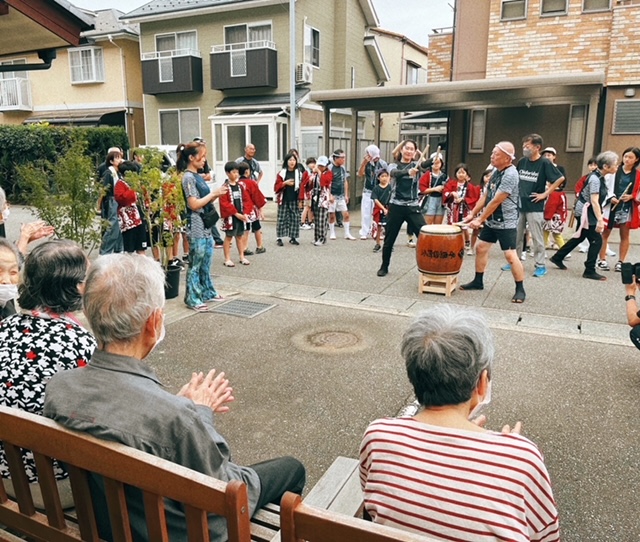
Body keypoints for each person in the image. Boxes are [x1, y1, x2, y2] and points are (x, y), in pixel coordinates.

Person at [43, 253, 306, 542]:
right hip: (179, 534)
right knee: (291, 468)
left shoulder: (59, 388)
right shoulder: (178, 419)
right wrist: (198, 411)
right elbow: (220, 491)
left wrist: (179, 406)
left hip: (106, 524)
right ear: (153, 322)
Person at [359, 305, 560, 541]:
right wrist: (510, 452)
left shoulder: (378, 435)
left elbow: (370, 499)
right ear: (482, 383)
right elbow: (547, 538)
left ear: (414, 375)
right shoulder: (521, 458)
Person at [0, 240, 96, 509]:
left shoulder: (4, 327)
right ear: (76, 287)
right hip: (55, 489)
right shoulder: (82, 343)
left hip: (5, 478)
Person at [461, 142, 527, 303]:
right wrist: (472, 214)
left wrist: (479, 220)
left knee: (510, 255)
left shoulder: (511, 174)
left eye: (496, 154)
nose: (492, 156)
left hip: (506, 221)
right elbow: (486, 196)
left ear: (507, 158)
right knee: (481, 247)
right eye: (492, 152)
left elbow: (497, 200)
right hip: (491, 219)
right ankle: (478, 281)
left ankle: (520, 289)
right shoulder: (496, 171)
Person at [549, 151, 618, 281]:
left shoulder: (599, 176)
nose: (617, 166)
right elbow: (594, 201)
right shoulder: (595, 179)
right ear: (606, 167)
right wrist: (599, 220)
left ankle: (558, 257)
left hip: (586, 210)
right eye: (615, 164)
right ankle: (589, 270)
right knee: (596, 240)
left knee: (580, 236)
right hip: (587, 212)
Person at [178, 141, 227, 312]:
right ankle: (192, 297)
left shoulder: (197, 176)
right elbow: (193, 204)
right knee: (196, 261)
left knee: (206, 259)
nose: (204, 160)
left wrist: (216, 194)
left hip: (205, 224)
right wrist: (214, 193)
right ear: (191, 158)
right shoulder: (188, 177)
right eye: (202, 156)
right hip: (196, 223)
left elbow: (202, 200)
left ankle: (206, 291)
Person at [511, 135, 565, 279]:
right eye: (523, 146)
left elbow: (560, 178)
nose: (524, 148)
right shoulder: (522, 162)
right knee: (516, 235)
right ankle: (514, 262)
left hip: (535, 206)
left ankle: (540, 265)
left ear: (537, 147)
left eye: (527, 146)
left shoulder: (544, 163)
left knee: (537, 237)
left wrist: (545, 193)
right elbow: (516, 178)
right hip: (519, 203)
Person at [377, 140, 428, 277]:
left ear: (415, 152)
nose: (409, 151)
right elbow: (395, 173)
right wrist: (408, 172)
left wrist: (427, 159)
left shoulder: (416, 165)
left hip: (412, 206)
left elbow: (425, 165)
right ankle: (384, 266)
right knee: (389, 239)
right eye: (407, 148)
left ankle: (428, 267)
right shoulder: (393, 165)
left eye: (412, 149)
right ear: (401, 150)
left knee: (425, 237)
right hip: (396, 206)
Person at [597, 147, 640, 272]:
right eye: (625, 156)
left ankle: (621, 261)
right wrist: (610, 197)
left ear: (636, 159)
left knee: (624, 234)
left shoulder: (637, 175)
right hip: (611, 205)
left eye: (630, 157)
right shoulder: (615, 170)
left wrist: (632, 196)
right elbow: (604, 185)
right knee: (605, 233)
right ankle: (602, 260)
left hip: (626, 207)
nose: (627, 159)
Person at [219, 161, 252, 267]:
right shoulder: (224, 187)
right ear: (227, 173)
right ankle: (227, 258)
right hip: (230, 217)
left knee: (239, 236)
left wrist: (245, 213)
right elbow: (224, 203)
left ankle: (242, 256)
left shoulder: (240, 187)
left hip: (240, 216)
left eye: (237, 172)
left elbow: (247, 200)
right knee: (229, 237)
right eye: (233, 172)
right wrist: (236, 213)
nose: (236, 174)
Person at [442, 163, 481, 252]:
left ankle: (464, 243)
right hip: (452, 208)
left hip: (463, 209)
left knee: (463, 227)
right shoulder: (451, 183)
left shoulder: (470, 186)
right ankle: (453, 243)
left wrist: (463, 200)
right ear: (455, 173)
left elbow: (473, 197)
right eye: (459, 172)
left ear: (467, 174)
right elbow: (445, 192)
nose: (461, 174)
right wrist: (451, 193)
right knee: (452, 226)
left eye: (463, 172)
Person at [115, 160, 149, 255]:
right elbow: (120, 198)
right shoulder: (120, 184)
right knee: (129, 248)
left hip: (140, 218)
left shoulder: (138, 183)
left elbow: (145, 196)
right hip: (128, 221)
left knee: (141, 246)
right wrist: (133, 191)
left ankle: (143, 266)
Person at [357, 145, 387, 240]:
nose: (367, 155)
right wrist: (364, 163)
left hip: (379, 191)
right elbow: (360, 174)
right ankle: (364, 231)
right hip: (367, 190)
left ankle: (377, 231)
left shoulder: (383, 164)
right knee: (366, 212)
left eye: (368, 153)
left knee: (378, 212)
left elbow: (387, 177)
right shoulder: (367, 163)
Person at [98, 149, 124, 255]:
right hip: (111, 200)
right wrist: (99, 205)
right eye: (116, 158)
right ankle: (105, 251)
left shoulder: (119, 173)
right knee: (112, 226)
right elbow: (104, 190)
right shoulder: (109, 173)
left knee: (120, 226)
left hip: (118, 201)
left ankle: (118, 249)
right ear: (111, 161)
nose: (120, 159)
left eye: (120, 157)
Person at [238, 161, 267, 255]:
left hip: (241, 210)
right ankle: (259, 246)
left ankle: (244, 247)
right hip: (252, 209)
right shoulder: (251, 183)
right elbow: (257, 197)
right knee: (257, 227)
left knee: (245, 229)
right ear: (247, 172)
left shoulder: (237, 184)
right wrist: (261, 209)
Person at [274, 152, 303, 247]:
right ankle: (279, 238)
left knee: (294, 218)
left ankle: (293, 237)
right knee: (282, 218)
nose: (292, 162)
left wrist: (301, 200)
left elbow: (302, 187)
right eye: (290, 160)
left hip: (294, 198)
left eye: (294, 160)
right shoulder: (281, 173)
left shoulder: (299, 173)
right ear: (286, 161)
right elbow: (276, 187)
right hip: (284, 198)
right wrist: (284, 183)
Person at [328, 150, 355, 240]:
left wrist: (346, 194)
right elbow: (327, 182)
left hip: (341, 195)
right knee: (332, 215)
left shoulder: (342, 168)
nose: (343, 159)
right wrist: (329, 195)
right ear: (336, 158)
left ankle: (347, 233)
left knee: (346, 214)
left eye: (344, 157)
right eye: (341, 158)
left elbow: (345, 181)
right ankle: (332, 232)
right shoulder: (330, 168)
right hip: (332, 195)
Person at [310, 156, 333, 246]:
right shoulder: (315, 174)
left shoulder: (329, 173)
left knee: (322, 219)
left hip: (323, 199)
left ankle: (322, 238)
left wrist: (319, 172)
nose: (320, 167)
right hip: (315, 197)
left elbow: (324, 183)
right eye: (319, 165)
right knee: (316, 218)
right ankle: (316, 237)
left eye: (322, 166)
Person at [419, 153, 447, 225]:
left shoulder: (445, 176)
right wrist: (435, 189)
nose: (436, 164)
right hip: (430, 200)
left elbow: (448, 189)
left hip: (441, 201)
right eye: (434, 163)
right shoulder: (427, 175)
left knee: (438, 226)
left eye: (438, 162)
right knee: (427, 225)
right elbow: (422, 190)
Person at [371, 167, 391, 253]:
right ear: (378, 178)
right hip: (379, 209)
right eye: (382, 176)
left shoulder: (390, 188)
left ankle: (388, 244)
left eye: (386, 176)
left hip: (389, 208)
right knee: (378, 227)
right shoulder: (376, 188)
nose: (384, 178)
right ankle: (378, 244)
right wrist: (383, 208)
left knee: (389, 227)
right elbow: (375, 199)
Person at [300, 157, 316, 230]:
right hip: (307, 193)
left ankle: (310, 221)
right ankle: (302, 222)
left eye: (313, 163)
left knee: (310, 208)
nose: (312, 164)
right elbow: (304, 183)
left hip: (312, 192)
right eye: (310, 163)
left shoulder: (313, 172)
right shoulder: (306, 172)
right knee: (306, 207)